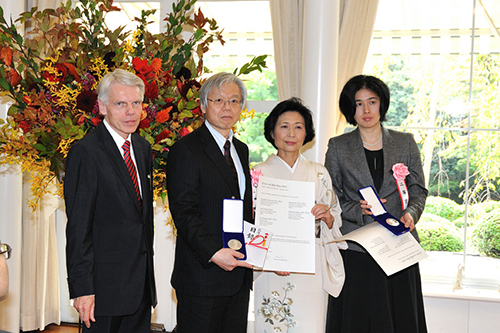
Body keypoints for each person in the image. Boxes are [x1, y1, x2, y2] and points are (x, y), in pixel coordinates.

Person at [324, 75, 428, 332]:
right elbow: (330, 196)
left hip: (399, 244)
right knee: (357, 320)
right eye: (358, 104)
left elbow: (418, 190)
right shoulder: (338, 147)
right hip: (358, 247)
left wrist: (411, 214)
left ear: (382, 104)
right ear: (351, 109)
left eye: (372, 101)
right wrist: (354, 208)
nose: (366, 110)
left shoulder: (405, 142)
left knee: (400, 318)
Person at [65, 68, 157, 332]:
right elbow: (78, 228)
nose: (131, 111)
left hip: (139, 290)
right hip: (102, 294)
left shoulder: (141, 147)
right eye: (121, 104)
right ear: (102, 107)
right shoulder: (86, 152)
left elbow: (140, 221)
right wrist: (82, 289)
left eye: (136, 103)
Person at [166, 72, 254, 332]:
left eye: (234, 101)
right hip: (201, 276)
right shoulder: (187, 149)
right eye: (218, 100)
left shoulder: (241, 149)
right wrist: (215, 253)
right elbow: (184, 212)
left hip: (237, 272)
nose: (227, 107)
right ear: (203, 106)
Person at [253, 97, 347, 332]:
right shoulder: (258, 174)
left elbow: (335, 214)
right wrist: (271, 261)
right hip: (272, 265)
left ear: (306, 134)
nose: (291, 133)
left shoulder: (319, 173)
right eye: (284, 126)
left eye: (298, 126)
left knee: (309, 324)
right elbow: (251, 223)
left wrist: (327, 216)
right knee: (274, 323)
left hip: (310, 263)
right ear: (272, 131)